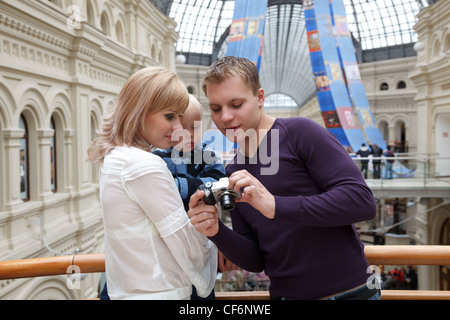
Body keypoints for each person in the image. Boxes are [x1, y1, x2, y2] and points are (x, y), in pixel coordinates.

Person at [188, 56, 380, 300]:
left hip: (348, 293)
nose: (224, 117)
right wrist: (215, 231)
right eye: (216, 109)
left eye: (236, 104)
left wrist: (275, 205)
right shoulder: (233, 171)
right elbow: (256, 260)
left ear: (259, 98)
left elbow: (361, 201)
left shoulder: (300, 133)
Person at [87, 66, 217, 300]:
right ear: (139, 111)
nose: (178, 128)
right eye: (170, 116)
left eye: (180, 117)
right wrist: (214, 241)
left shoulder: (115, 157)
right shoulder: (145, 165)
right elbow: (187, 248)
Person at [153, 94, 227, 300]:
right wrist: (195, 188)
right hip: (167, 246)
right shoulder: (158, 156)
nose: (190, 134)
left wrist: (176, 186)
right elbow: (155, 190)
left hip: (199, 242)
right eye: (183, 127)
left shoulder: (208, 155)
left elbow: (217, 185)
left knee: (201, 292)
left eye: (195, 127)